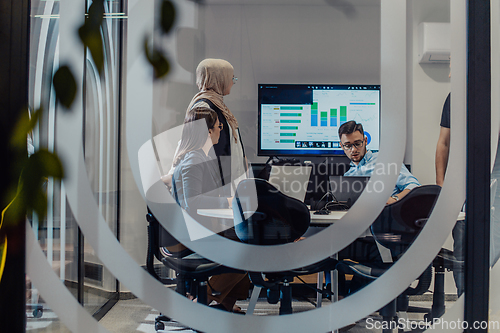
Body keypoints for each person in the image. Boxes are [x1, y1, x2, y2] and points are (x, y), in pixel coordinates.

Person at [171, 107, 250, 313]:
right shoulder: (193, 160)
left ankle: (223, 305)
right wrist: (228, 201)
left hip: (192, 230)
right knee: (248, 250)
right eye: (218, 126)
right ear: (207, 131)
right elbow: (193, 202)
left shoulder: (196, 157)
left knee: (245, 241)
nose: (220, 130)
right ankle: (202, 303)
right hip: (188, 236)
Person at [163, 58, 247, 196]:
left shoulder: (218, 104)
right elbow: (192, 142)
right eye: (231, 78)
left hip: (223, 182)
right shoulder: (204, 107)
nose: (233, 82)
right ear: (218, 79)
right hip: (213, 188)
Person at [339, 121, 420, 204]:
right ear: (342, 146)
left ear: (365, 141)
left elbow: (414, 186)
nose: (353, 150)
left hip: (389, 212)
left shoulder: (386, 160)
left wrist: (395, 199)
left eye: (357, 143)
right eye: (348, 145)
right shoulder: (348, 176)